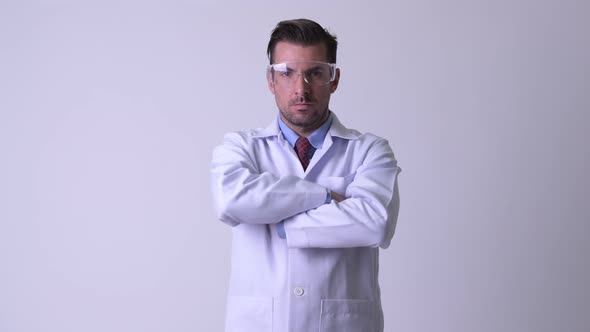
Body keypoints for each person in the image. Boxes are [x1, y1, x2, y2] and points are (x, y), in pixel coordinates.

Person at [210, 18, 401, 332]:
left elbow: (376, 222)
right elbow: (230, 200)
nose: (301, 88)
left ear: (333, 79)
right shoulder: (240, 147)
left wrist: (278, 218)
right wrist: (324, 196)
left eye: (314, 73)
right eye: (287, 73)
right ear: (271, 80)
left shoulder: (370, 150)